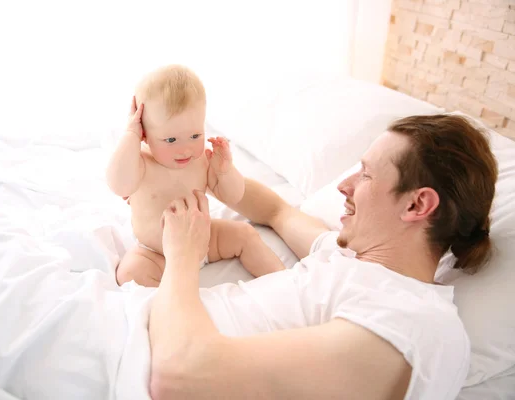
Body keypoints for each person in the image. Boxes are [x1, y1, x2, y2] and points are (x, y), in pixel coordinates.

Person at [148, 114, 498, 399]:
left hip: (135, 354)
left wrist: (182, 255)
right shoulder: (345, 255)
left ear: (416, 204)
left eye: (366, 174)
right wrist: (213, 175)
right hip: (137, 321)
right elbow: (276, 211)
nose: (343, 186)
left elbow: (179, 378)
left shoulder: (415, 323)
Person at [105, 64, 284, 286]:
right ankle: (177, 304)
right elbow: (118, 185)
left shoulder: (201, 160)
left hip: (204, 241)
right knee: (130, 273)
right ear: (144, 135)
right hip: (157, 254)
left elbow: (233, 196)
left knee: (245, 234)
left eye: (195, 135)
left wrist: (225, 170)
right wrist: (130, 134)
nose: (186, 149)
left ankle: (286, 281)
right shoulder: (141, 163)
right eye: (170, 140)